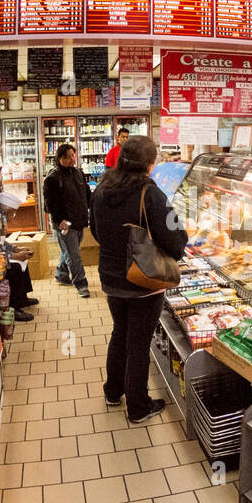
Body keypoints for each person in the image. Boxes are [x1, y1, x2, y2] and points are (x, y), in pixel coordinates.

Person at [90, 134, 187, 423]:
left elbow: (95, 230)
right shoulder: (151, 194)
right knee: (138, 342)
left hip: (110, 277)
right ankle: (138, 406)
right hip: (143, 280)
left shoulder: (102, 188)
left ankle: (112, 391)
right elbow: (176, 239)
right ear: (150, 164)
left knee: (120, 333)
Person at [43, 144, 91, 298]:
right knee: (74, 254)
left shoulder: (78, 173)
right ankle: (81, 284)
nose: (71, 159)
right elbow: (51, 203)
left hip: (79, 219)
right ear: (59, 159)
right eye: (68, 156)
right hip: (65, 223)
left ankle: (61, 274)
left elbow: (86, 194)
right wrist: (59, 220)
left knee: (71, 250)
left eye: (72, 155)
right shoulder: (53, 178)